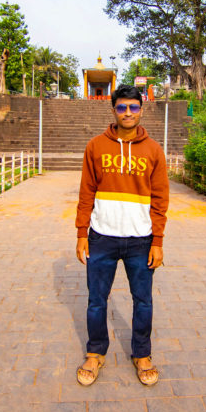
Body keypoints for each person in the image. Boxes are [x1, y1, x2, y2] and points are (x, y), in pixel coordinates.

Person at [75, 84, 169, 387]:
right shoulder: (95, 146)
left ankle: (142, 354)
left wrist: (157, 242)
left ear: (141, 110)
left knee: (143, 301)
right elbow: (86, 192)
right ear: (113, 109)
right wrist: (81, 234)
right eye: (121, 107)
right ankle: (95, 352)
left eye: (133, 107)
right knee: (96, 301)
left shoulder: (153, 150)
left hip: (141, 240)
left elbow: (160, 199)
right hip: (101, 237)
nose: (127, 113)